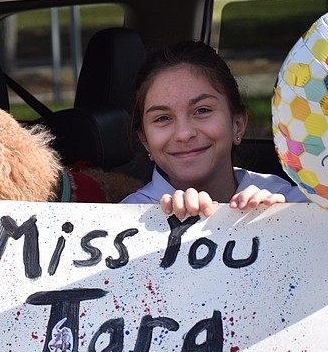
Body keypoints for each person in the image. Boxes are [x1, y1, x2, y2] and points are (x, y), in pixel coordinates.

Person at [121, 40, 307, 218]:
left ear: (237, 124)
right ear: (145, 141)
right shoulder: (122, 221)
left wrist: (288, 222)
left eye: (202, 110)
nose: (184, 134)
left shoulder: (290, 202)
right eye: (162, 118)